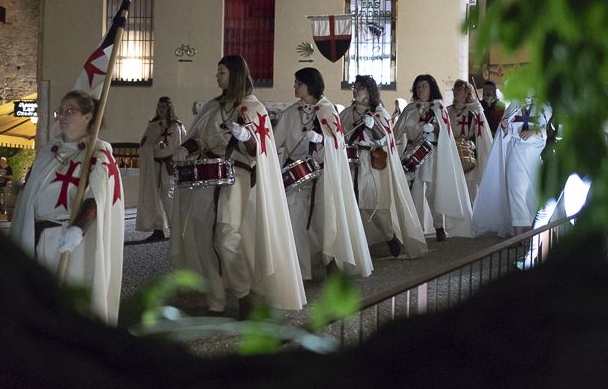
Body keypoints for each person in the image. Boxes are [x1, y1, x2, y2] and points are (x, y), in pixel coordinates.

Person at [171, 55, 305, 317]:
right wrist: (184, 149)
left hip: (237, 172)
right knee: (202, 236)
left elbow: (258, 150)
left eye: (221, 72)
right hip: (206, 173)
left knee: (227, 235)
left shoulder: (253, 108)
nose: (217, 76)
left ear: (235, 74)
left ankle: (244, 294)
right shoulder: (212, 106)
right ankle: (215, 301)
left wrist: (246, 136)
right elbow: (199, 137)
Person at [8, 90, 124, 323]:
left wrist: (78, 229)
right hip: (35, 235)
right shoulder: (49, 151)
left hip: (67, 241)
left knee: (67, 306)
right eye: (59, 111)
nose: (62, 116)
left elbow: (97, 197)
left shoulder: (98, 153)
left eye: (69, 111)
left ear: (88, 117)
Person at [275, 68, 372, 280]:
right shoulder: (290, 113)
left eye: (298, 83)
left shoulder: (327, 110)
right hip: (297, 173)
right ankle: (301, 271)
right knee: (294, 219)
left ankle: (330, 261)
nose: (294, 86)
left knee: (325, 218)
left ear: (309, 85)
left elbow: (338, 142)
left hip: (322, 172)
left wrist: (322, 140)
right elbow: (275, 141)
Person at [340, 76, 427, 259]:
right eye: (355, 87)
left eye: (359, 87)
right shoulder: (347, 113)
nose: (355, 90)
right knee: (353, 203)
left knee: (376, 205)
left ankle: (389, 236)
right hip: (351, 163)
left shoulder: (379, 113)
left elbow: (385, 139)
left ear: (368, 92)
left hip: (372, 163)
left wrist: (373, 127)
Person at [393, 74, 474, 241]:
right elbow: (396, 131)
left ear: (431, 88)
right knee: (414, 191)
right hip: (413, 154)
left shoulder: (439, 108)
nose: (420, 89)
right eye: (418, 86)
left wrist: (436, 129)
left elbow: (446, 131)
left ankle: (439, 226)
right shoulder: (409, 109)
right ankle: (416, 229)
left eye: (424, 86)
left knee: (432, 192)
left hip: (432, 154)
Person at [473, 92, 554, 237]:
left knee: (531, 192)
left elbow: (548, 128)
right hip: (515, 152)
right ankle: (518, 233)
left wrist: (535, 131)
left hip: (534, 154)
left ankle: (529, 230)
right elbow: (507, 135)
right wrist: (505, 127)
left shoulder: (544, 105)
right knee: (515, 190)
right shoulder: (514, 105)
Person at [135, 96, 186, 242]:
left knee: (167, 196)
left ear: (169, 108)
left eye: (164, 107)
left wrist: (175, 160)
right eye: (159, 106)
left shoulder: (176, 126)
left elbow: (180, 145)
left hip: (169, 165)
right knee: (155, 197)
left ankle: (175, 229)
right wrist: (154, 145)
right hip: (154, 165)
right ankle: (158, 229)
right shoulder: (153, 125)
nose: (161, 109)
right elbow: (145, 144)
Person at [449, 80, 494, 203]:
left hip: (468, 152)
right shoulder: (448, 111)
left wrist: (472, 143)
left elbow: (481, 133)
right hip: (453, 152)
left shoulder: (474, 110)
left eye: (459, 89)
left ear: (466, 92)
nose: (456, 92)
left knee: (470, 188)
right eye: (455, 89)